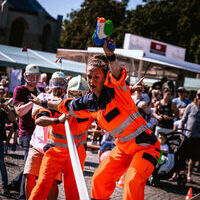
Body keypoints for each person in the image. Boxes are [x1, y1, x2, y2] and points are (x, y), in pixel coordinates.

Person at [34, 39, 161, 200]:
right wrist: (43, 102)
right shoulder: (88, 103)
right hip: (123, 148)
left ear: (105, 77)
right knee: (99, 180)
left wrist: (110, 54)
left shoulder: (116, 90)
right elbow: (65, 105)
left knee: (132, 182)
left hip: (146, 146)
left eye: (96, 77)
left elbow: (116, 72)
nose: (92, 81)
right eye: (89, 77)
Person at [29, 74, 93, 200]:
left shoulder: (89, 109)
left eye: (81, 94)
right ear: (69, 92)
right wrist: (58, 120)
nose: (77, 98)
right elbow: (39, 120)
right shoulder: (58, 105)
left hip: (76, 154)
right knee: (43, 185)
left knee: (73, 189)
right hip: (55, 153)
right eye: (75, 94)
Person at [23, 72, 67, 200]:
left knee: (52, 181)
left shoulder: (67, 101)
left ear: (65, 86)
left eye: (61, 83)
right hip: (37, 144)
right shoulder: (43, 96)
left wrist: (47, 105)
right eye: (55, 83)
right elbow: (35, 114)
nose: (58, 86)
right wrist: (50, 105)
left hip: (55, 146)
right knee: (29, 176)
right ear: (50, 85)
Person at [8, 64, 40, 200]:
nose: (33, 79)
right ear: (25, 77)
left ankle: (14, 183)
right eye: (31, 76)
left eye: (35, 76)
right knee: (30, 168)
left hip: (38, 134)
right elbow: (19, 112)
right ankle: (23, 196)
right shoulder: (19, 90)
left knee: (33, 166)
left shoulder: (39, 91)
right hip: (26, 133)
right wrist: (33, 102)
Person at [180, 89, 200, 183]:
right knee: (182, 156)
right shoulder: (190, 106)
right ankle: (178, 173)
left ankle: (189, 175)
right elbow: (183, 120)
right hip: (188, 136)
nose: (199, 97)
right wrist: (181, 132)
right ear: (196, 95)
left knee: (193, 158)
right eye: (198, 95)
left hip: (198, 138)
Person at [0, 97, 15, 195]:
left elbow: (13, 119)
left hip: (0, 142)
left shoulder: (2, 112)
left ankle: (5, 186)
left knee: (2, 164)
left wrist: (7, 108)